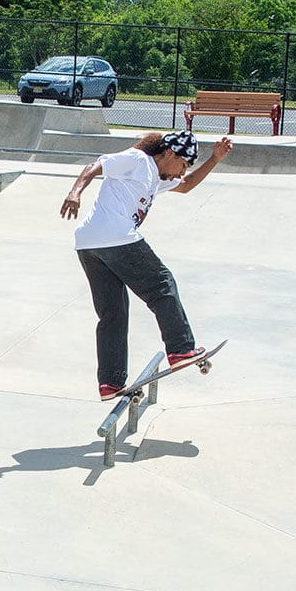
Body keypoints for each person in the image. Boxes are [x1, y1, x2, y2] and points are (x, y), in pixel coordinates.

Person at [60, 130, 234, 399]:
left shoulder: (157, 178)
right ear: (169, 153)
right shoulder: (138, 160)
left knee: (113, 313)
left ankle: (111, 381)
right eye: (183, 165)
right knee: (161, 284)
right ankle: (180, 348)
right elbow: (94, 166)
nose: (180, 173)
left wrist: (214, 159)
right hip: (115, 238)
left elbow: (186, 186)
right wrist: (75, 192)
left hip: (89, 245)